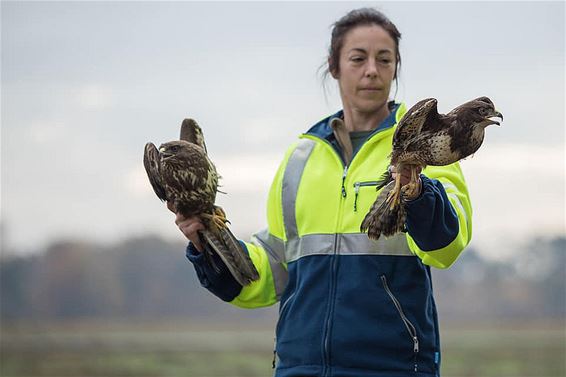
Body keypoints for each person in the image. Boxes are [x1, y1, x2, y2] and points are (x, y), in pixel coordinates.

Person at [172, 8, 471, 377]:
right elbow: (266, 277)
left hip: (392, 368)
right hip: (301, 368)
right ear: (334, 66)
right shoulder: (300, 158)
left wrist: (418, 192)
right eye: (358, 58)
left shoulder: (425, 146)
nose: (372, 71)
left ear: (396, 68)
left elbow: (447, 247)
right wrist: (207, 240)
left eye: (385, 59)